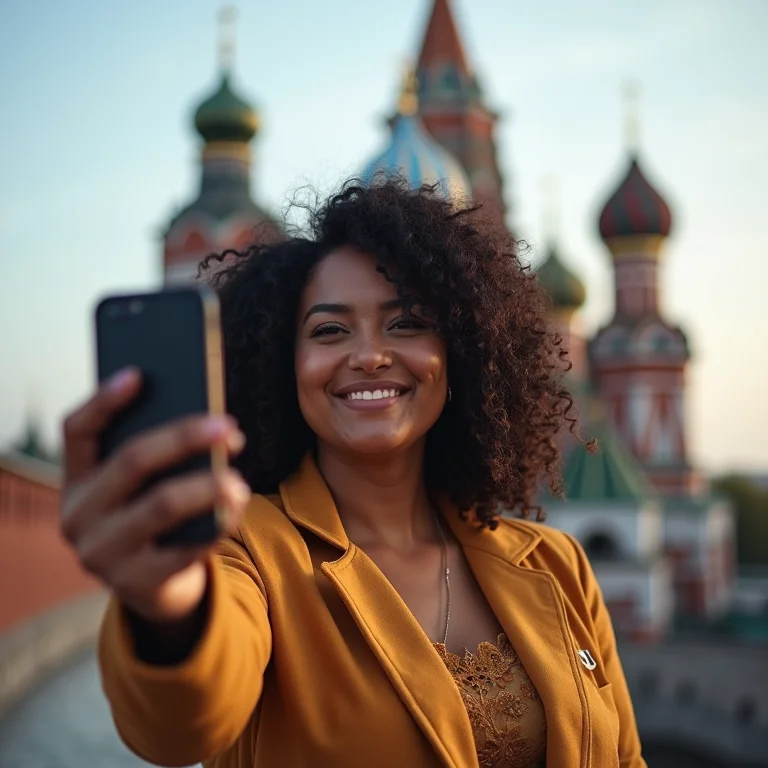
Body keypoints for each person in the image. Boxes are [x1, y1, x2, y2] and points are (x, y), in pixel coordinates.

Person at [61, 179, 646, 768]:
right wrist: (169, 602)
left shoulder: (555, 563)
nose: (369, 354)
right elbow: (180, 727)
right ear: (282, 366)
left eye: (406, 323)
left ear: (462, 353)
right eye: (330, 330)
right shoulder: (244, 548)